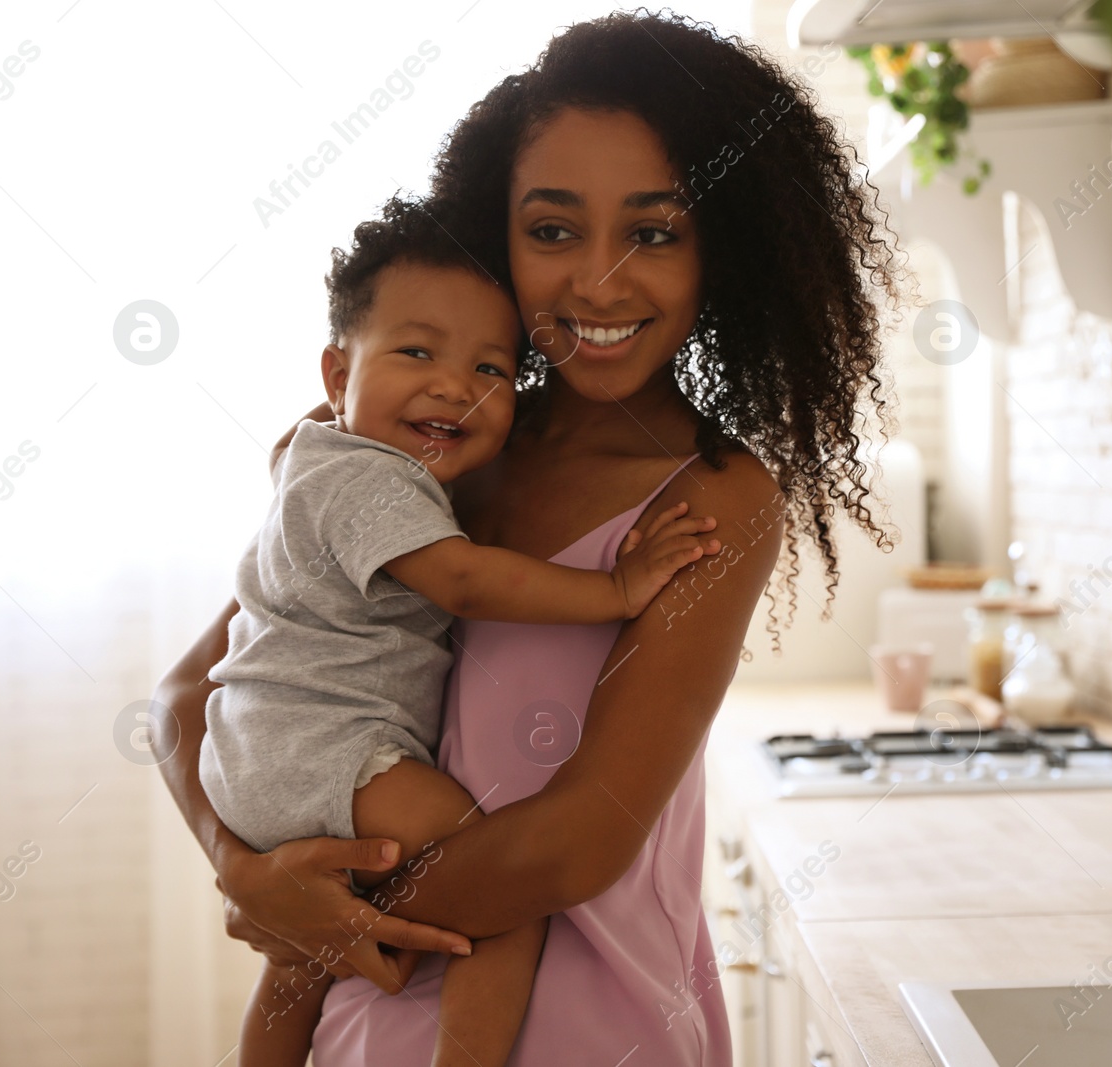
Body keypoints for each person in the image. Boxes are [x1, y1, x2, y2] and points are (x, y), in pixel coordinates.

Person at [152, 12, 900, 1064]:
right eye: (552, 230)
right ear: (492, 234)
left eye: (654, 231)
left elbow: (578, 836)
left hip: (596, 1028)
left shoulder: (712, 501)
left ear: (724, 246)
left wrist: (324, 913)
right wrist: (248, 873)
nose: (597, 282)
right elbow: (193, 694)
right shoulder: (431, 450)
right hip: (368, 1011)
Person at [205, 196, 722, 1067]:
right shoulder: (375, 484)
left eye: (491, 370)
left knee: (300, 960)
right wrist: (616, 586)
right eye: (417, 353)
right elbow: (467, 579)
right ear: (338, 376)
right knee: (501, 891)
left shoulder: (316, 455)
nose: (454, 385)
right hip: (327, 745)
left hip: (257, 746)